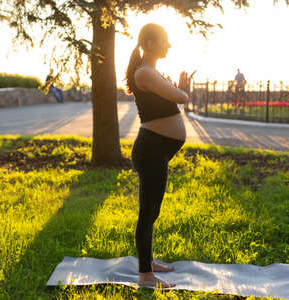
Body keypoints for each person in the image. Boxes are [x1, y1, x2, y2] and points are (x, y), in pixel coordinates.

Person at [125, 23, 191, 288]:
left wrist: (179, 89)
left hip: (156, 150)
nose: (169, 45)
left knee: (152, 211)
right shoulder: (145, 73)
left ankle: (148, 262)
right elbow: (182, 97)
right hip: (151, 150)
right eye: (164, 40)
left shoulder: (151, 72)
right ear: (149, 43)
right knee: (147, 212)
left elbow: (177, 96)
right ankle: (146, 276)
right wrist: (182, 89)